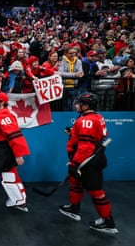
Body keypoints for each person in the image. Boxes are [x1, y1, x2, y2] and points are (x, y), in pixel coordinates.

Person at [58, 92, 118, 234]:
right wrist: (74, 132)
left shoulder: (86, 121)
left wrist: (74, 163)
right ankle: (74, 208)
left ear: (86, 106)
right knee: (75, 183)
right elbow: (98, 137)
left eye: (79, 103)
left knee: (96, 192)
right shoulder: (96, 117)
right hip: (91, 159)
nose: (76, 105)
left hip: (86, 162)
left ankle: (108, 222)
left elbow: (86, 147)